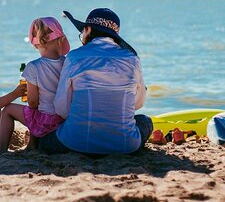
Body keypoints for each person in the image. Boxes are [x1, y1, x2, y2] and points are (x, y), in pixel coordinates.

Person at [39, 8, 152, 155]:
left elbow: (61, 108)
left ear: (88, 29)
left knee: (44, 140)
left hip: (76, 143)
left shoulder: (74, 57)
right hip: (124, 145)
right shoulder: (132, 59)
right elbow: (138, 104)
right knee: (145, 121)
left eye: (82, 31)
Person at [0, 17, 70, 152]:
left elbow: (33, 102)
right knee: (34, 112)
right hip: (64, 119)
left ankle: (1, 148)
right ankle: (31, 145)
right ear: (61, 39)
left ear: (35, 44)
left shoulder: (33, 67)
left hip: (46, 121)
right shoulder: (68, 63)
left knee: (9, 110)